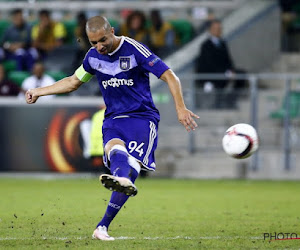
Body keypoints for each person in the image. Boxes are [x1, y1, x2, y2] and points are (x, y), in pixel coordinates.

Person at [25, 16, 198, 241]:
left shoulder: (134, 49)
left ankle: (103, 223)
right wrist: (39, 91)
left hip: (141, 118)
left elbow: (169, 76)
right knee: (113, 149)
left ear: (112, 31)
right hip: (113, 118)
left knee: (131, 165)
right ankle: (117, 186)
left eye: (103, 40)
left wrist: (181, 108)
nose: (99, 46)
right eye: (93, 42)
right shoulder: (93, 57)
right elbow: (72, 82)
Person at [195, 19, 246, 108]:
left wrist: (231, 70)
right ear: (210, 30)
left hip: (224, 72)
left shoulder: (222, 43)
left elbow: (228, 60)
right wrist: (225, 72)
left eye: (219, 28)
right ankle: (217, 103)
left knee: (241, 75)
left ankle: (229, 101)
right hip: (211, 74)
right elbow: (208, 64)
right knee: (220, 80)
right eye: (216, 28)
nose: (218, 30)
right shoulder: (206, 45)